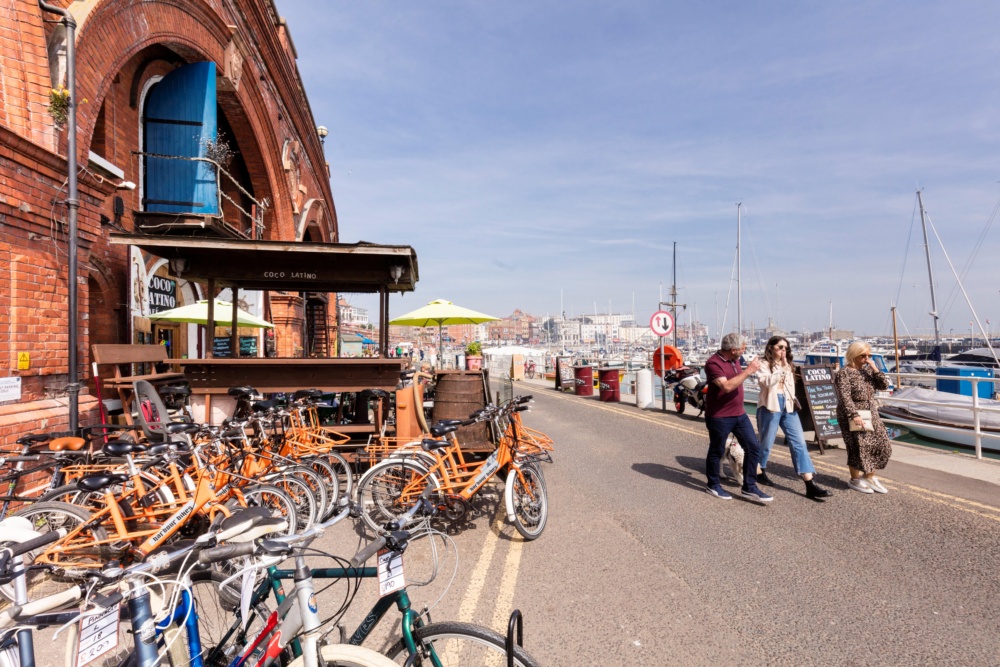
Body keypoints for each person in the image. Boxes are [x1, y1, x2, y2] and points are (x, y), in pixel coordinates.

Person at [755, 336, 832, 501]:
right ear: (771, 347)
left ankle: (809, 484)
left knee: (799, 443)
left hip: (789, 406)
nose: (784, 350)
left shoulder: (788, 365)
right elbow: (766, 382)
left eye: (786, 348)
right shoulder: (762, 363)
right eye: (780, 347)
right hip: (771, 405)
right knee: (766, 443)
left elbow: (790, 385)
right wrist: (782, 369)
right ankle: (758, 469)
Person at [703, 333, 773, 504]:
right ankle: (713, 484)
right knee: (717, 450)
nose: (745, 350)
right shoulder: (713, 363)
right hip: (719, 416)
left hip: (739, 414)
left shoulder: (735, 359)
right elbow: (726, 386)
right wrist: (749, 370)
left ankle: (749, 486)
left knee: (753, 447)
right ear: (733, 350)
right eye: (743, 348)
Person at [834, 341, 892, 494]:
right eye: (863, 356)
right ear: (854, 355)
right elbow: (844, 396)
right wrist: (853, 415)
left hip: (870, 410)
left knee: (881, 443)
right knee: (857, 446)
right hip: (853, 412)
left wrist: (874, 368)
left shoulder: (867, 370)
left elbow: (884, 386)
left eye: (869, 355)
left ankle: (870, 476)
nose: (866, 358)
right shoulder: (844, 373)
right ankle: (855, 479)